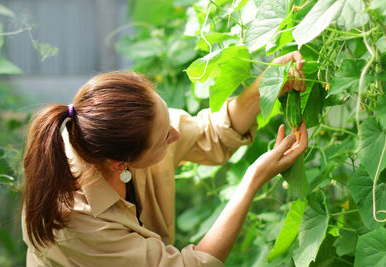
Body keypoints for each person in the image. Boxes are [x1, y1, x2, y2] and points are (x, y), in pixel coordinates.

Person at [21, 51, 308, 266]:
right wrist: (252, 180)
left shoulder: (128, 130)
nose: (176, 135)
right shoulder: (74, 221)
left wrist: (267, 84)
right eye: (164, 139)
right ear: (121, 164)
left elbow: (212, 133)